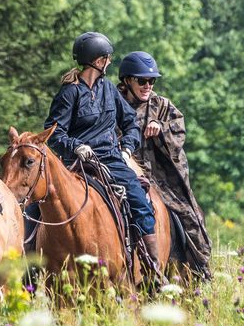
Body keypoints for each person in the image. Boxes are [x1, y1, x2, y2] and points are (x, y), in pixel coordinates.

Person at [43, 32, 161, 272]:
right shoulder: (69, 93)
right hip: (76, 163)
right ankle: (31, 270)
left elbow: (130, 124)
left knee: (140, 202)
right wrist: (75, 146)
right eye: (107, 59)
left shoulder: (109, 89)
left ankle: (153, 269)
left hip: (110, 161)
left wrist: (127, 148)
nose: (109, 63)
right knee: (38, 206)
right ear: (98, 61)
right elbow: (53, 132)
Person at [116, 51, 212, 278]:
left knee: (190, 218)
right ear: (127, 80)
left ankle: (198, 271)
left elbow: (179, 134)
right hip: (121, 173)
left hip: (161, 179)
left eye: (152, 81)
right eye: (142, 80)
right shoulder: (112, 103)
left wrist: (161, 129)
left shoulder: (162, 106)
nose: (147, 85)